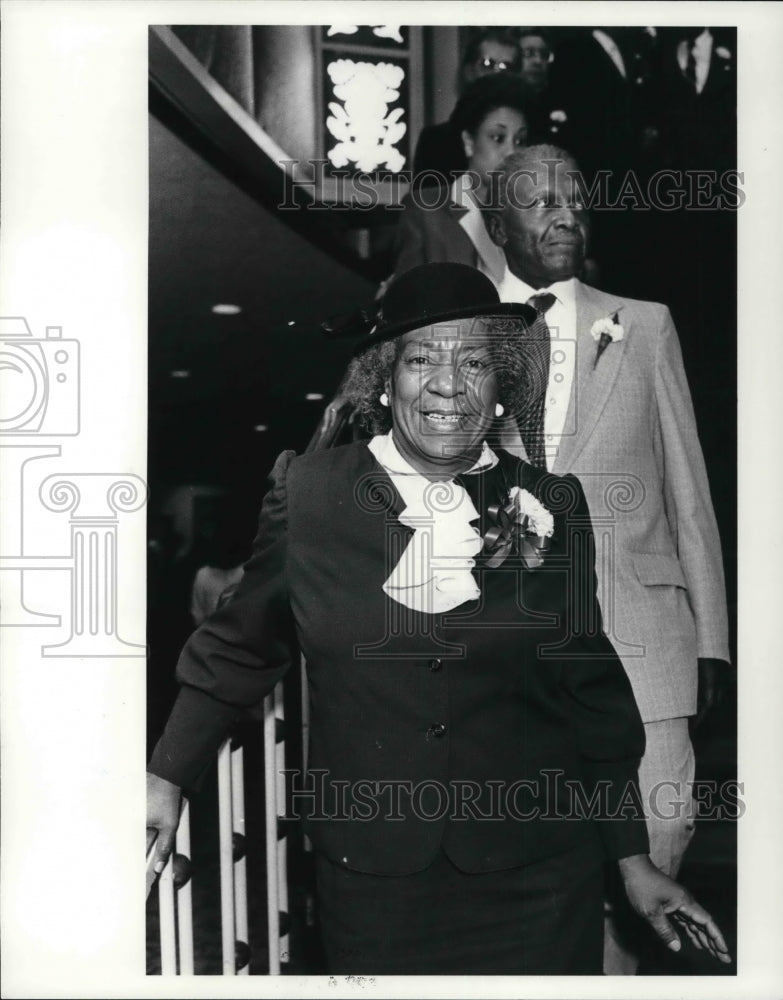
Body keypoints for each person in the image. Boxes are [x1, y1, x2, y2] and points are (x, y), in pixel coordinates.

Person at [146, 263, 730, 975]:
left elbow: (590, 695)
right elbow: (236, 651)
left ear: (499, 385)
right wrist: (166, 779)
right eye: (421, 359)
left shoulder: (551, 502)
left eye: (476, 361)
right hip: (374, 886)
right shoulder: (311, 496)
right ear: (385, 381)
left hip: (540, 878)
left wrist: (633, 862)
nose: (449, 384)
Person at [486, 147, 732, 973]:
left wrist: (711, 642)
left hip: (643, 643)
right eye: (538, 200)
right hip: (514, 654)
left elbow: (687, 490)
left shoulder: (643, 323)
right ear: (495, 223)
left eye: (575, 197)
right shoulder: (461, 336)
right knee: (539, 868)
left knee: (653, 856)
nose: (564, 213)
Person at [392, 73, 530, 286]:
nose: (511, 151)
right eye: (497, 138)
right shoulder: (426, 210)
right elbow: (408, 305)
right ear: (469, 142)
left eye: (520, 140)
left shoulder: (531, 217)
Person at [412, 27, 521, 182]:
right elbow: (424, 201)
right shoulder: (436, 141)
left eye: (506, 67)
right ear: (469, 71)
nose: (496, 74)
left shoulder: (532, 140)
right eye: (487, 64)